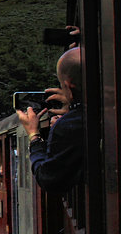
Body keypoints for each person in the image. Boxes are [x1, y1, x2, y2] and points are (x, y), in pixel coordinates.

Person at [17, 46, 85, 194]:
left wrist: (34, 136)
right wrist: (73, 104)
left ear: (68, 86)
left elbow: (49, 179)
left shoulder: (67, 126)